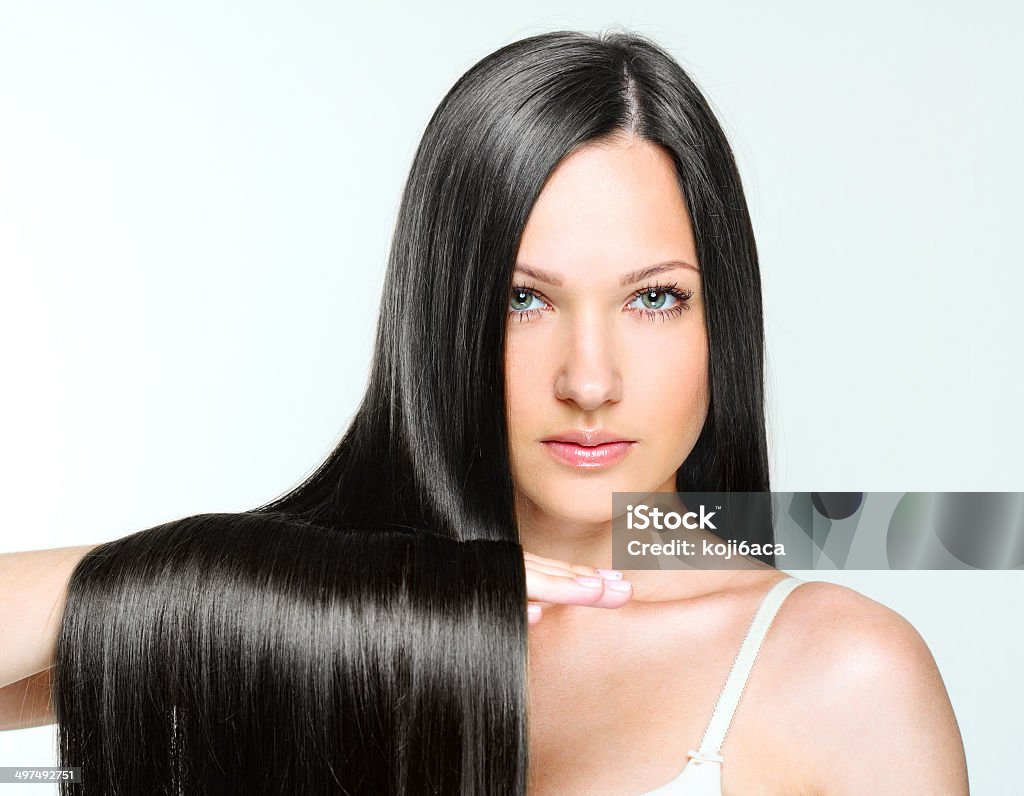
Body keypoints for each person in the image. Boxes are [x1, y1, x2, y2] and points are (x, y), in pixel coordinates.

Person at [0, 28, 967, 794]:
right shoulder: (325, 627)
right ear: (444, 319)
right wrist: (243, 574)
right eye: (524, 300)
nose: (589, 380)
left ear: (727, 323)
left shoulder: (841, 673)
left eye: (655, 298)